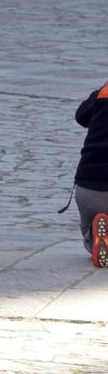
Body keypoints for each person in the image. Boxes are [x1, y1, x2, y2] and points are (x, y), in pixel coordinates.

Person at [74, 78, 108, 268]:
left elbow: (81, 116)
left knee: (86, 229)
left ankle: (94, 234)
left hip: (89, 188)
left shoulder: (101, 95)